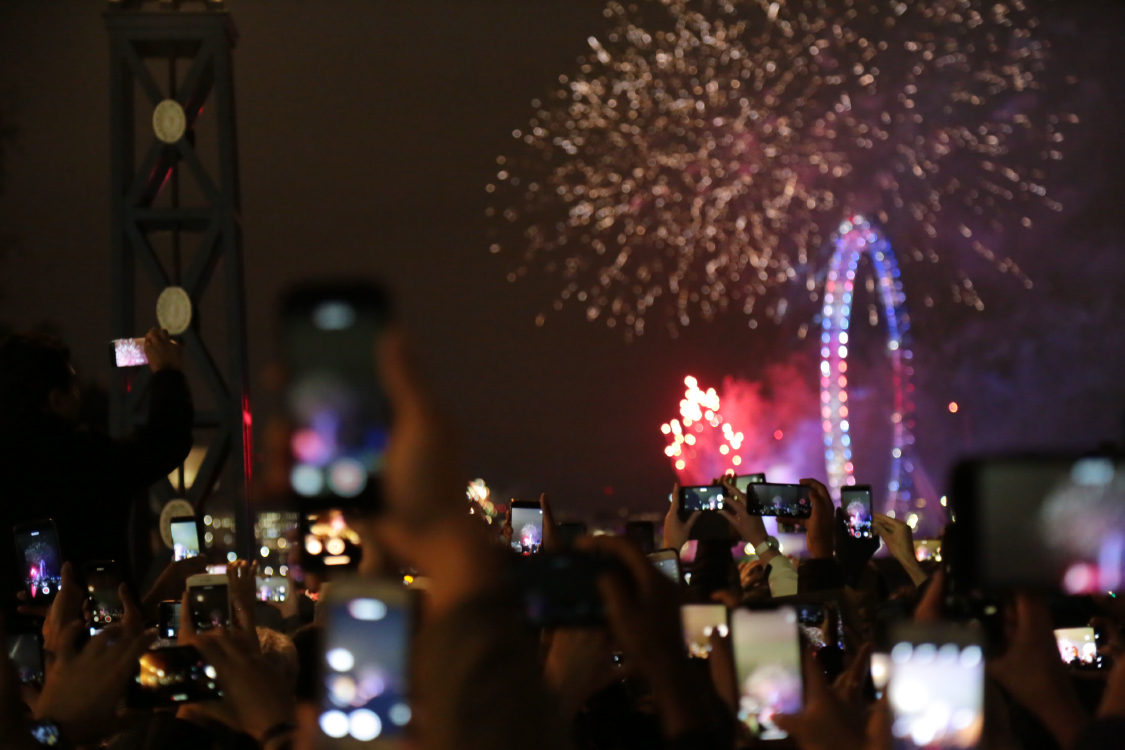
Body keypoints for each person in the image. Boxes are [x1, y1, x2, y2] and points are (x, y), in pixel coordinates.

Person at [0, 329, 193, 603]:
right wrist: (167, 372)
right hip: (96, 632)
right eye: (73, 386)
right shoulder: (82, 458)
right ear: (56, 399)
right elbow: (164, 442)